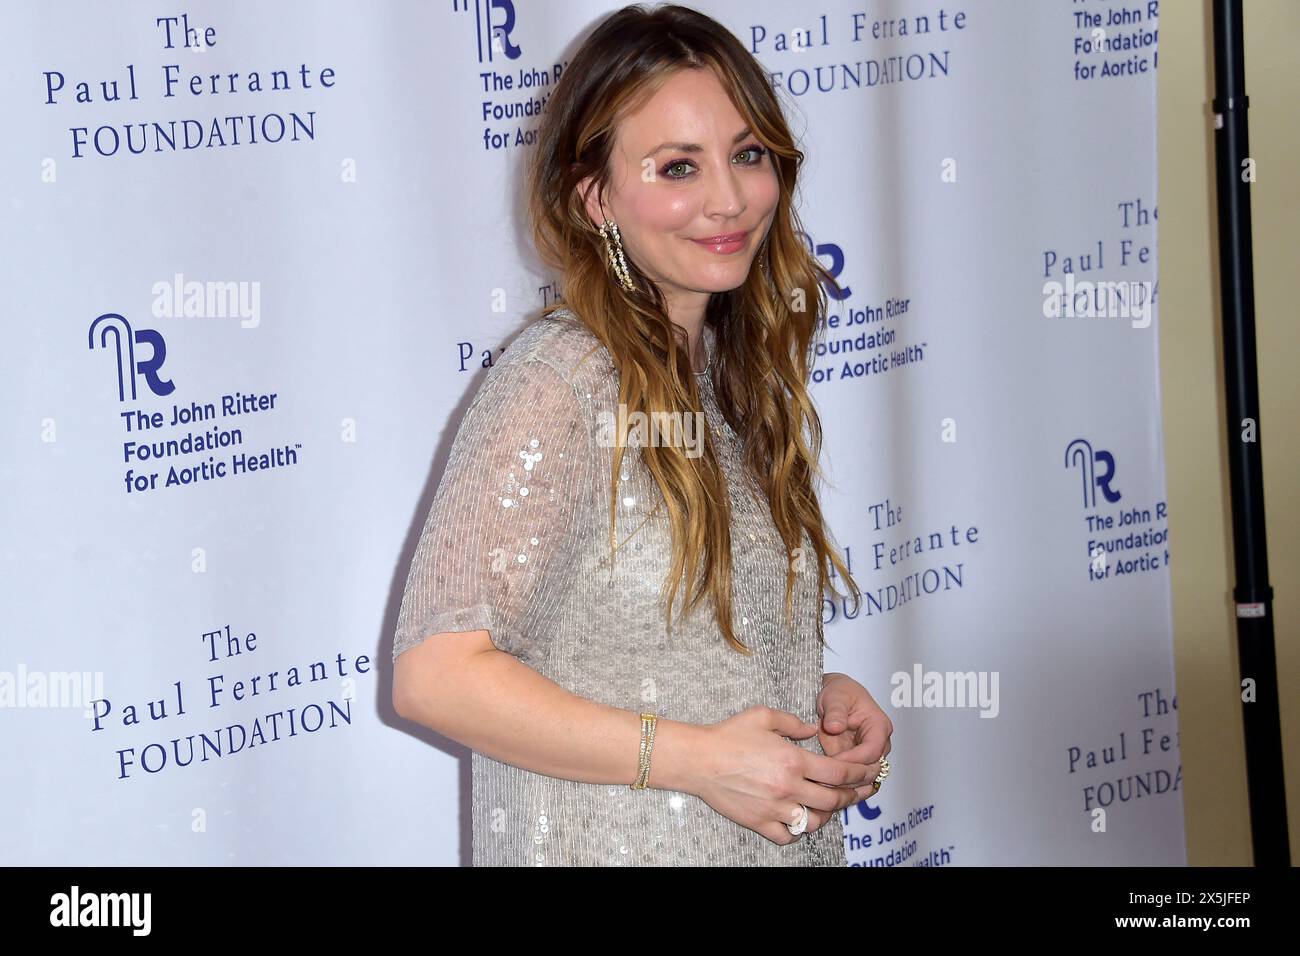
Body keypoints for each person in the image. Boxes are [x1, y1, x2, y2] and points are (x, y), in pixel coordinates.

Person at [392, 2, 893, 866]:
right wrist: (697, 760)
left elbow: (657, 650)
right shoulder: (559, 381)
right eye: (676, 168)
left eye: (747, 155)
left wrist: (812, 700)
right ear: (595, 198)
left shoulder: (733, 372)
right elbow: (435, 674)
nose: (729, 199)